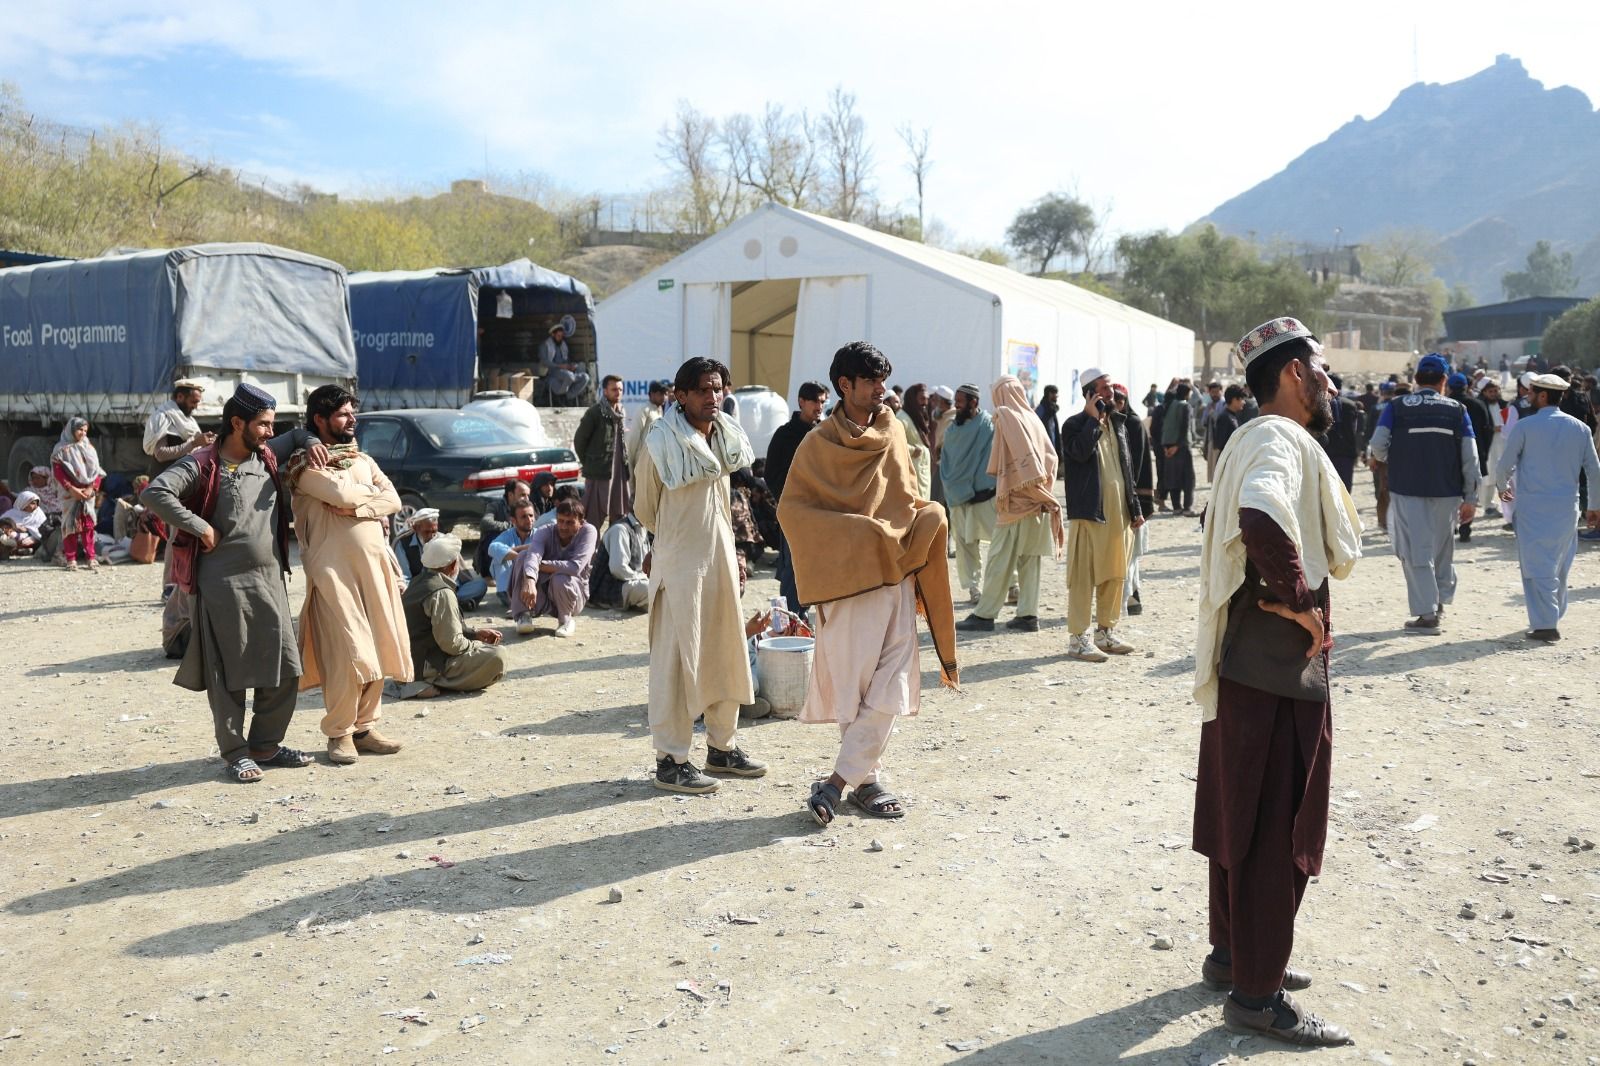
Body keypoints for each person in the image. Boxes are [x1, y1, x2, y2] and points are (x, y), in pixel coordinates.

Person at [1192, 317, 1360, 1048]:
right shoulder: (1278, 439)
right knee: (1273, 825)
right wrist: (1298, 599)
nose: (1331, 384)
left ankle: (1234, 955)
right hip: (1275, 664)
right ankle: (1258, 997)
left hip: (1244, 660)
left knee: (1239, 806)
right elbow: (1261, 512)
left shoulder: (1251, 435)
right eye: (1321, 370)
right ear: (1294, 373)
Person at [779, 340, 957, 824]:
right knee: (855, 691)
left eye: (883, 380)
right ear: (845, 385)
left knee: (892, 684)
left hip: (894, 576)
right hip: (846, 582)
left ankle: (837, 784)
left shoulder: (893, 431)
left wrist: (926, 520)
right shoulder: (817, 445)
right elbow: (792, 511)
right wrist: (856, 533)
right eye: (871, 381)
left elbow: (907, 499)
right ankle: (867, 781)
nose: (881, 389)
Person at [141, 383, 325, 782]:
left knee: (285, 666)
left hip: (269, 581)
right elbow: (155, 492)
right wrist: (200, 526)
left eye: (271, 424)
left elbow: (298, 435)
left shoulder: (267, 454)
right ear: (238, 423)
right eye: (263, 425)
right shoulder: (202, 463)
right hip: (220, 586)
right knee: (227, 673)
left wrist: (310, 441)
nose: (270, 432)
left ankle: (265, 745)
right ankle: (236, 753)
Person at [634, 356, 763, 793]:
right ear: (682, 395)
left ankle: (722, 748)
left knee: (724, 650)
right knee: (674, 661)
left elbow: (722, 504)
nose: (712, 397)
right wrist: (675, 541)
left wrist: (730, 551)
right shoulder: (660, 440)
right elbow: (646, 507)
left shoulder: (725, 436)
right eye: (703, 390)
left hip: (719, 559)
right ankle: (670, 760)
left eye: (718, 388)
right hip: (679, 564)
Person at [289, 384, 412, 766]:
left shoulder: (363, 459)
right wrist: (369, 497)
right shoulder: (304, 466)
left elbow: (393, 499)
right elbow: (340, 496)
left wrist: (361, 508)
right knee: (347, 651)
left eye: (351, 412)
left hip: (374, 568)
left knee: (379, 644)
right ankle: (339, 733)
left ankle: (364, 728)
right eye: (343, 414)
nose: (351, 419)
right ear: (320, 419)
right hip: (333, 574)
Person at [1368, 354, 1478, 633]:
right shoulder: (1458, 410)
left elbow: (1378, 444)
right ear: (1444, 381)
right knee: (1442, 549)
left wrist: (1389, 458)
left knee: (1416, 550)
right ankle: (1438, 602)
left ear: (1416, 379)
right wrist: (1471, 498)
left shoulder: (1396, 406)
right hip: (1448, 491)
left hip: (1407, 489)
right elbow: (1470, 457)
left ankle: (1427, 615)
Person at [1494, 374, 1600, 641]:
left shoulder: (1525, 426)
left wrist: (1502, 488)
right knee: (1560, 564)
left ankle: (1546, 625)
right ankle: (1552, 614)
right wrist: (1594, 506)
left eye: (1531, 392)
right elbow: (1594, 471)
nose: (1527, 395)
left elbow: (1504, 465)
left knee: (1536, 566)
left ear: (1543, 396)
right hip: (1567, 508)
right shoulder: (1580, 428)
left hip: (1532, 508)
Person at [958, 376, 1063, 634]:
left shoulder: (1007, 417)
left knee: (998, 560)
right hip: (1039, 502)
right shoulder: (1033, 418)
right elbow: (1051, 458)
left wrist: (1024, 486)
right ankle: (1028, 615)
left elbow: (1022, 461)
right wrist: (1042, 492)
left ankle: (985, 615)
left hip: (1016, 502)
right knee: (1030, 562)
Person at [1059, 367, 1143, 660]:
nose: (1111, 392)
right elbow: (1080, 452)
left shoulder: (1118, 423)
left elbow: (1126, 469)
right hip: (1089, 514)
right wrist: (1091, 420)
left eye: (1111, 387)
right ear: (1090, 394)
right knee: (1083, 577)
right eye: (1105, 388)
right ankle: (1078, 639)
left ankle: (1105, 632)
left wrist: (1135, 507)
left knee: (1115, 574)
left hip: (1119, 515)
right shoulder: (1073, 425)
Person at [399, 533, 506, 697]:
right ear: (453, 565)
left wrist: (474, 634)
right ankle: (425, 683)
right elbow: (451, 644)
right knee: (497, 655)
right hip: (426, 665)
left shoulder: (417, 582)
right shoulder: (441, 592)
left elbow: (437, 628)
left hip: (409, 661)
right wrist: (476, 645)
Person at [764, 381, 829, 614]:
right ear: (801, 401)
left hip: (822, 513)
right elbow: (771, 474)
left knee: (820, 568)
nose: (819, 407)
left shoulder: (824, 433)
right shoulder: (785, 435)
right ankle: (791, 621)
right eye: (814, 401)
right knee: (793, 568)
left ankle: (808, 620)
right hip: (795, 513)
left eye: (822, 402)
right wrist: (790, 500)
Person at [938, 383, 998, 605]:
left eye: (960, 402)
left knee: (1000, 541)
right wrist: (953, 487)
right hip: (958, 497)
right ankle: (973, 588)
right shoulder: (952, 431)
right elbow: (946, 461)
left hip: (985, 495)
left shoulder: (988, 425)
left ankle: (1010, 584)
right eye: (955, 401)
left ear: (974, 402)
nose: (956, 406)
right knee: (964, 545)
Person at [509, 497, 597, 637]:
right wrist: (530, 579)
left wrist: (540, 566)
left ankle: (565, 621)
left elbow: (575, 567)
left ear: (581, 522)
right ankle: (523, 614)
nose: (563, 526)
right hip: (544, 590)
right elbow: (534, 554)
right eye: (560, 521)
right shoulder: (545, 531)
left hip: (573, 593)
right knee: (524, 557)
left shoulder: (588, 532)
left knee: (560, 577)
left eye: (569, 522)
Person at [1111, 383, 1155, 616]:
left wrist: (1131, 499)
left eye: (1120, 400)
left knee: (1128, 553)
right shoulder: (1111, 422)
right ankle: (1132, 598)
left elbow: (1134, 466)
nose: (1117, 404)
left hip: (1132, 498)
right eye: (1113, 400)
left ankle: (1127, 599)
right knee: (1125, 552)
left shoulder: (1133, 424)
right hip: (1122, 496)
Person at [394, 508, 487, 611]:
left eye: (434, 531)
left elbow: (456, 575)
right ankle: (453, 603)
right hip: (422, 590)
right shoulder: (403, 544)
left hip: (449, 589)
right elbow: (405, 577)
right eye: (427, 532)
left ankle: (447, 601)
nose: (431, 536)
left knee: (480, 585)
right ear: (416, 528)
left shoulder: (444, 541)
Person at [573, 375, 631, 529]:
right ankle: (591, 544)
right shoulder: (595, 412)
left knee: (620, 513)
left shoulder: (621, 411)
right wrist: (590, 462)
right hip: (599, 472)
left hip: (619, 471)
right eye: (614, 389)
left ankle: (613, 542)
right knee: (593, 516)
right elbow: (579, 441)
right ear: (605, 391)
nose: (618, 393)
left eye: (620, 389)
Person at [51, 417, 105, 571]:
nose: (83, 433)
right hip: (70, 494)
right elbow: (58, 471)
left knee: (88, 525)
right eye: (80, 429)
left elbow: (97, 472)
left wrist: (92, 488)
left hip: (87, 494)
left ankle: (91, 558)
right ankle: (71, 559)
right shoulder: (61, 449)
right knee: (70, 525)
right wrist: (71, 489)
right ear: (71, 430)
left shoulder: (89, 448)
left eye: (85, 431)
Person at [1448, 372, 1494, 541]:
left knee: (1450, 489)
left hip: (1449, 455)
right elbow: (1488, 429)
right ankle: (1466, 527)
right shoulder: (1478, 404)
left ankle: (1452, 525)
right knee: (1471, 489)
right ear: (1467, 387)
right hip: (1475, 451)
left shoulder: (1445, 405)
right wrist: (1484, 452)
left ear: (1449, 387)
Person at [142, 379, 212, 476]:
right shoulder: (163, 417)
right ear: (180, 397)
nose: (195, 406)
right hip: (164, 479)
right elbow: (160, 454)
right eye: (193, 402)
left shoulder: (189, 420)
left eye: (197, 402)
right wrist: (194, 443)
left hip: (182, 476)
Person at [489, 498, 540, 606]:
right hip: (511, 586)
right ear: (513, 520)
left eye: (531, 515)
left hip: (532, 584)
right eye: (524, 517)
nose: (529, 520)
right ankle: (509, 598)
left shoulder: (539, 535)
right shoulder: (508, 535)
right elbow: (492, 548)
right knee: (499, 559)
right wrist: (522, 554)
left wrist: (517, 552)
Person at [475, 478, 531, 575]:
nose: (527, 499)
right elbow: (485, 523)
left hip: (519, 551)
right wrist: (511, 526)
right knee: (493, 538)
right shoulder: (495, 506)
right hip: (498, 550)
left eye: (528, 495)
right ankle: (490, 575)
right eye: (522, 495)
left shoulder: (529, 508)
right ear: (510, 495)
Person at [1316, 375, 1361, 491]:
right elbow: (1354, 430)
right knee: (1345, 489)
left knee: (1326, 488)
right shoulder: (1350, 405)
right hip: (1346, 452)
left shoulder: (1319, 403)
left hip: (1325, 452)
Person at [599, 511, 650, 610]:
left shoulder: (644, 529)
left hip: (632, 582)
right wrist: (643, 577)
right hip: (611, 588)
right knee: (650, 588)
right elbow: (618, 569)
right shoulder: (620, 529)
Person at [1475, 380, 1510, 517]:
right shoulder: (1480, 406)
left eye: (1496, 391)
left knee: (1505, 476)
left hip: (1504, 444)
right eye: (1491, 391)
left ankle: (1508, 507)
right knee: (1488, 477)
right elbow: (1478, 426)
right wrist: (1492, 429)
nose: (1494, 394)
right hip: (1488, 445)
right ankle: (1487, 506)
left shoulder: (1504, 404)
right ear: (1484, 392)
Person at [1162, 383, 1197, 515]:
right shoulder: (1185, 406)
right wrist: (1177, 445)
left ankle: (1176, 507)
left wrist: (1167, 447)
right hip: (1182, 446)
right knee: (1188, 478)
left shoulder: (1169, 405)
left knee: (1173, 477)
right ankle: (1187, 508)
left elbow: (1164, 426)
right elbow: (1185, 427)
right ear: (1187, 393)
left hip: (1168, 446)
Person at [894, 383, 933, 501]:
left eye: (926, 399)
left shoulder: (917, 417)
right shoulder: (902, 418)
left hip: (921, 472)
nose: (925, 402)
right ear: (912, 399)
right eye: (922, 398)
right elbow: (894, 443)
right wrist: (912, 450)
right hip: (911, 474)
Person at [625, 380, 670, 476]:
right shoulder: (644, 409)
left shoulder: (659, 409)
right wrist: (630, 461)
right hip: (643, 461)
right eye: (660, 394)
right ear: (651, 394)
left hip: (656, 461)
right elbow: (634, 436)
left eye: (665, 394)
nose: (664, 397)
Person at [539, 323, 590, 404]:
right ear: (553, 335)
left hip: (565, 372)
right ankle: (563, 397)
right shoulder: (545, 345)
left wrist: (571, 366)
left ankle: (567, 397)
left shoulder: (564, 345)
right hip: (552, 372)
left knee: (585, 377)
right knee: (569, 376)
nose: (560, 338)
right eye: (558, 336)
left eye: (562, 336)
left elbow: (566, 360)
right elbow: (545, 361)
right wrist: (559, 366)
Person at [0, 490, 46, 557]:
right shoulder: (11, 514)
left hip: (31, 538)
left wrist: (33, 538)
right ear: (23, 503)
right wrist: (15, 527)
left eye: (37, 504)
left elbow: (43, 530)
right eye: (32, 503)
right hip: (11, 537)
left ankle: (21, 550)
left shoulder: (39, 514)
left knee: (27, 541)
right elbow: (2, 523)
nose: (35, 506)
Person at [1035, 384, 1062, 468]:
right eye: (1055, 394)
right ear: (1050, 394)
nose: (1056, 396)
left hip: (1052, 447)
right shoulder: (1041, 409)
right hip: (1043, 448)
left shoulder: (1052, 409)